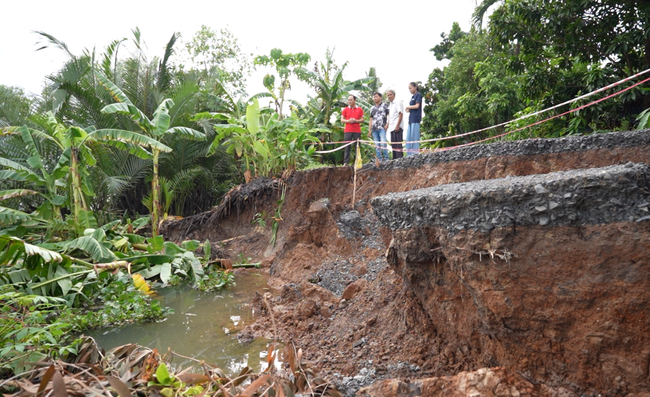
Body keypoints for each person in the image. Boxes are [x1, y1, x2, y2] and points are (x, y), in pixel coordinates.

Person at [341, 95, 364, 165]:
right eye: (348, 100)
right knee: (347, 146)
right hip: (348, 130)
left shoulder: (360, 109)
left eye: (351, 100)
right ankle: (346, 162)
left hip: (357, 131)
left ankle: (357, 162)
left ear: (355, 100)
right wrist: (348, 121)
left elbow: (362, 119)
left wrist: (355, 121)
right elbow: (342, 120)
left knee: (357, 147)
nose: (349, 101)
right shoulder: (345, 109)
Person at [369, 92, 390, 161]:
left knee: (383, 143)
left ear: (380, 97)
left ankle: (387, 159)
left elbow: (388, 114)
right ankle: (380, 160)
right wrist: (369, 130)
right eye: (374, 97)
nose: (375, 98)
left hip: (382, 128)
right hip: (374, 129)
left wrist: (388, 123)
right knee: (377, 145)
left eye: (376, 96)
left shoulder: (384, 105)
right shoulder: (372, 108)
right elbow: (371, 119)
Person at [404, 82, 423, 156]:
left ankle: (415, 153)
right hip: (410, 119)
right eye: (409, 89)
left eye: (411, 88)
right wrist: (408, 109)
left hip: (416, 118)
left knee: (414, 136)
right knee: (409, 137)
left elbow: (417, 106)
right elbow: (412, 107)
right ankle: (409, 154)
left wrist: (408, 107)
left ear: (415, 87)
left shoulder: (418, 95)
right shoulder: (412, 97)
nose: (410, 90)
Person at [385, 89, 404, 159]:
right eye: (388, 95)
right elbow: (391, 116)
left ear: (394, 95)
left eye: (390, 95)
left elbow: (401, 114)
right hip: (391, 127)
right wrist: (388, 124)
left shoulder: (398, 102)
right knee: (393, 145)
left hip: (397, 127)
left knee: (398, 145)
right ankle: (395, 160)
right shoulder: (390, 105)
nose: (389, 96)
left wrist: (397, 125)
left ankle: (400, 160)